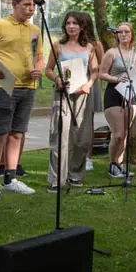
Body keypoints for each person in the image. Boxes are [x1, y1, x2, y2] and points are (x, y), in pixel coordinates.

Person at [0, 0, 43, 201]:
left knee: (17, 134)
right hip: (3, 87)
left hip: (28, 87)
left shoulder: (35, 30)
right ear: (14, 5)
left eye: (33, 5)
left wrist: (39, 69)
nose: (31, 8)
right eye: (26, 4)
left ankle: (10, 179)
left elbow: (40, 57)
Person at [43, 12, 98, 191]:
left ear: (82, 27)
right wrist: (57, 78)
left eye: (75, 23)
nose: (71, 26)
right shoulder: (58, 46)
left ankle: (75, 174)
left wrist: (89, 84)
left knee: (81, 137)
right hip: (62, 94)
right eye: (68, 23)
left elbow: (95, 71)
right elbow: (48, 69)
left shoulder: (89, 48)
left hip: (82, 95)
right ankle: (56, 178)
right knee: (60, 135)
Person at [100, 21, 136, 178]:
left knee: (125, 133)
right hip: (114, 93)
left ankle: (120, 164)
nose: (124, 35)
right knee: (117, 134)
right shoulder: (111, 53)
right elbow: (101, 73)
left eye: (127, 32)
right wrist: (117, 79)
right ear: (116, 35)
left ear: (132, 35)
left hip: (130, 95)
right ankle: (112, 163)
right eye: (120, 32)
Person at [86, 37, 105, 172]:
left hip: (91, 82)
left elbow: (103, 66)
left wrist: (95, 69)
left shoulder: (95, 44)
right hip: (73, 81)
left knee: (88, 122)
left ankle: (88, 157)